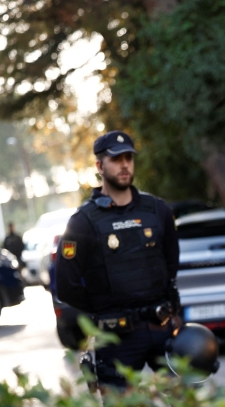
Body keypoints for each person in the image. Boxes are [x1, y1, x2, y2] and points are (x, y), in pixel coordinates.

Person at [54, 130, 182, 388]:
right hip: (116, 338)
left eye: (128, 158)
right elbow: (66, 284)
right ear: (100, 166)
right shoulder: (82, 223)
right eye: (116, 159)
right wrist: (103, 306)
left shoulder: (157, 210)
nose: (124, 164)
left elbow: (171, 263)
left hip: (162, 327)